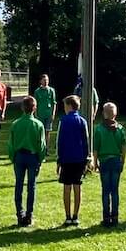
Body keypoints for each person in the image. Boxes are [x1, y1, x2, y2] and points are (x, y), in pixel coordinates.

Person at [9, 94, 47, 227]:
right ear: (35, 108)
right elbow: (41, 145)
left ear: (22, 108)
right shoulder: (38, 124)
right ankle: (29, 215)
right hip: (32, 156)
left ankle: (20, 214)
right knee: (31, 186)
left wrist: (12, 157)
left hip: (19, 156)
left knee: (18, 185)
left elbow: (11, 144)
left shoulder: (15, 124)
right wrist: (41, 159)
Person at [55, 93, 89, 226]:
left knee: (67, 187)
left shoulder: (63, 121)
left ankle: (68, 215)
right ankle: (76, 215)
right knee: (77, 186)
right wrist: (87, 158)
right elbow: (86, 141)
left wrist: (59, 160)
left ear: (69, 106)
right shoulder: (82, 121)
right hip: (79, 158)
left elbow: (60, 141)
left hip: (67, 158)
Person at [94, 102, 126, 227]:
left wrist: (95, 161)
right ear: (115, 114)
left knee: (105, 190)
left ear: (104, 114)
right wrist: (123, 161)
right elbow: (124, 147)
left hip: (104, 161)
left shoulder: (99, 129)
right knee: (115, 190)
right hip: (116, 161)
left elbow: (96, 148)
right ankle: (115, 216)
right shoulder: (120, 129)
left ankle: (106, 217)